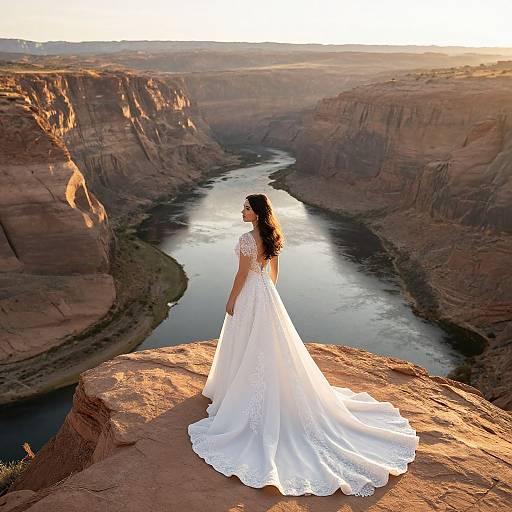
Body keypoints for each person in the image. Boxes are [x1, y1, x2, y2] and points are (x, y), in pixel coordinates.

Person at [188, 193, 419, 497]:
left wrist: (232, 300)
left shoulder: (246, 240)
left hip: (251, 295)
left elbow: (242, 274)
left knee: (247, 344)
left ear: (257, 213)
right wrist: (267, 293)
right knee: (270, 346)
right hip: (268, 295)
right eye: (243, 208)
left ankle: (238, 393)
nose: (242, 212)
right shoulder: (272, 236)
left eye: (246, 208)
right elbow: (274, 273)